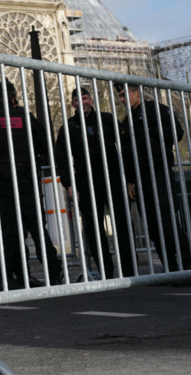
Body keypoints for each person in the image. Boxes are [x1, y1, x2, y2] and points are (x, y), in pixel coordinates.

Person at [0, 81, 61, 290]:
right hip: (27, 182)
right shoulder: (26, 118)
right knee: (37, 229)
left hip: (0, 184)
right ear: (15, 96)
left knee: (4, 232)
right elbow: (46, 144)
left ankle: (3, 279)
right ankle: (54, 275)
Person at [117, 83, 191, 284]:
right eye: (119, 96)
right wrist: (129, 180)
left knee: (168, 221)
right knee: (153, 227)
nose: (122, 99)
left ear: (137, 92)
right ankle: (170, 270)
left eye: (124, 94)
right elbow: (126, 154)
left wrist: (154, 141)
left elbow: (176, 133)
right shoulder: (127, 122)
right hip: (140, 178)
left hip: (159, 173)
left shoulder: (156, 110)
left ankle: (188, 269)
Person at [54, 87, 136, 279]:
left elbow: (125, 147)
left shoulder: (107, 119)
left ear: (91, 99)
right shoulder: (69, 127)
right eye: (76, 99)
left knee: (123, 224)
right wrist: (69, 185)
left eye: (84, 98)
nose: (81, 102)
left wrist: (129, 178)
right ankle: (106, 271)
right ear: (72, 103)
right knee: (93, 227)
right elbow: (62, 159)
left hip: (113, 177)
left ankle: (129, 271)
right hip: (86, 180)